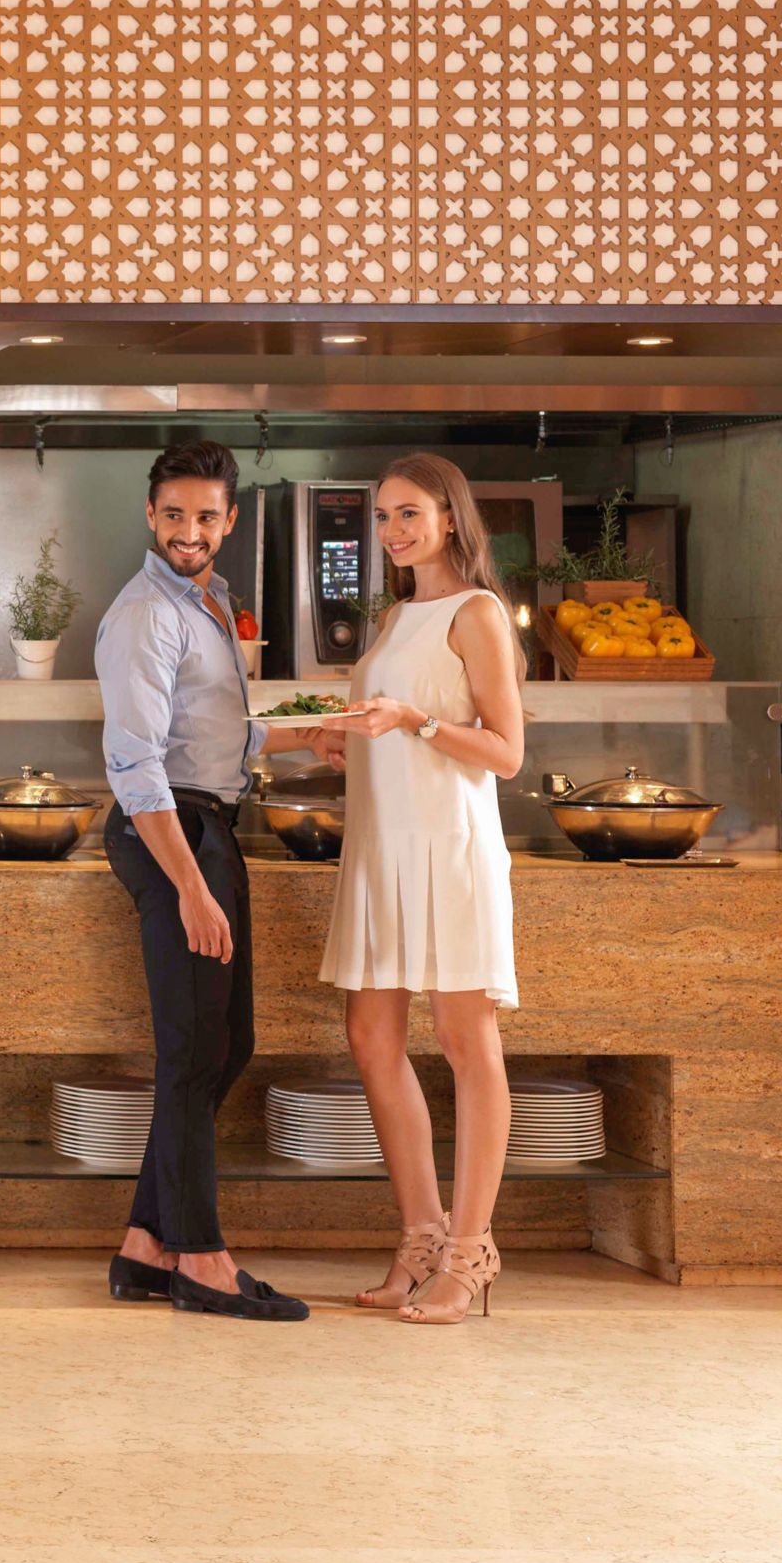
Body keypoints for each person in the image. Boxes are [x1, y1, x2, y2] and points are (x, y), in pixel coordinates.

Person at [93, 439, 309, 1321]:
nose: (190, 531)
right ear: (151, 515)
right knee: (191, 1053)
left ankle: (146, 1245)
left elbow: (212, 729)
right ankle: (201, 1259)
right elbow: (135, 762)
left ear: (229, 520)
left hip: (203, 824)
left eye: (206, 516)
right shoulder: (148, 613)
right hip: (170, 831)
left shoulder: (209, 601)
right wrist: (187, 884)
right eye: (175, 514)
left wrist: (310, 737)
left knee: (226, 1046)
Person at [308, 455, 525, 1323]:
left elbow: (506, 752)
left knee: (467, 1042)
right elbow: (392, 728)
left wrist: (417, 721)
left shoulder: (477, 613)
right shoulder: (397, 616)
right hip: (381, 848)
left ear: (449, 518)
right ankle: (422, 1239)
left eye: (410, 514)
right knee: (371, 1038)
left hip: (449, 848)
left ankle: (469, 1256)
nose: (393, 531)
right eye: (384, 516)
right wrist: (343, 737)